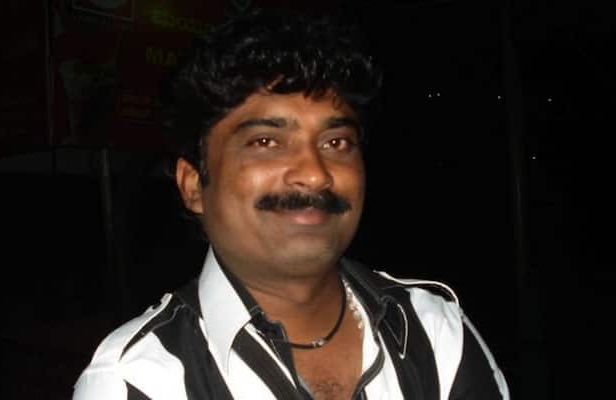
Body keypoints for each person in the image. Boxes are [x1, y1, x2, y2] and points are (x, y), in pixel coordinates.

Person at [73, 9, 509, 400]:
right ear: (193, 185)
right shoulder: (137, 383)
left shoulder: (433, 333)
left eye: (336, 142)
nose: (315, 173)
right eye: (266, 141)